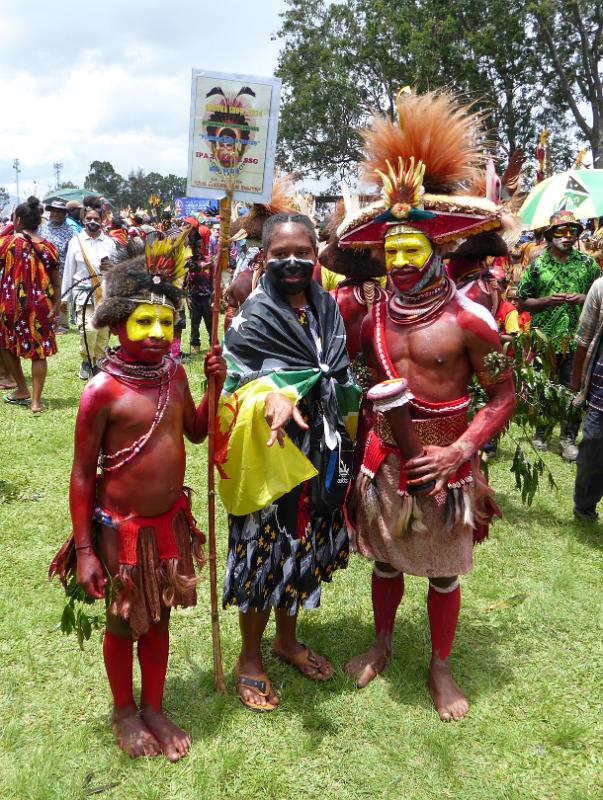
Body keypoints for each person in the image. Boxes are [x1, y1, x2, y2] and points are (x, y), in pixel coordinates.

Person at [337, 89, 516, 722]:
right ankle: (382, 643)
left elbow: (503, 393)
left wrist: (463, 449)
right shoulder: (368, 318)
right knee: (384, 559)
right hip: (386, 458)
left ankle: (440, 666)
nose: (403, 262)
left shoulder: (472, 321)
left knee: (443, 572)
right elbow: (357, 378)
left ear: (438, 252)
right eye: (392, 253)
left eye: (414, 251)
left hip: (450, 462)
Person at [50, 235, 226, 761]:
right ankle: (124, 712)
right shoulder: (101, 391)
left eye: (167, 323)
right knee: (124, 621)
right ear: (117, 324)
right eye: (143, 322)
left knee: (161, 616)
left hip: (167, 525)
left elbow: (196, 431)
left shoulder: (174, 373)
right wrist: (85, 550)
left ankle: (153, 705)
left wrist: (214, 387)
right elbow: (82, 475)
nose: (157, 333)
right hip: (119, 530)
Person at [217, 212, 360, 711]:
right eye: (281, 253)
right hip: (270, 453)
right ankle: (250, 657)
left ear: (317, 252)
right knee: (264, 550)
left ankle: (287, 640)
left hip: (318, 447)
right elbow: (232, 388)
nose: (293, 261)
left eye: (303, 250)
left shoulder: (326, 308)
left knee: (305, 546)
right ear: (264, 256)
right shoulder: (253, 317)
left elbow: (335, 372)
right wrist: (270, 398)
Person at [516, 211, 600, 461]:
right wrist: (545, 301)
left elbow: (600, 296)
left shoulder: (588, 265)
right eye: (561, 232)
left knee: (574, 389)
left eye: (572, 231)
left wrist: (583, 298)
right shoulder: (537, 264)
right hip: (544, 339)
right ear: (550, 235)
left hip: (579, 339)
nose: (567, 236)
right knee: (545, 387)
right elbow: (521, 302)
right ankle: (541, 432)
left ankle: (568, 438)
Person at [0, 196, 61, 412]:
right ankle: (36, 401)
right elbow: (56, 281)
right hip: (41, 305)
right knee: (39, 352)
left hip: (10, 305)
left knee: (6, 345)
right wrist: (57, 304)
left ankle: (22, 389)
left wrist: (9, 229)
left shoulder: (7, 244)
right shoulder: (49, 247)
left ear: (18, 220)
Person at [62, 206, 117, 379]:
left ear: (102, 221)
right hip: (83, 293)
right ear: (83, 220)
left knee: (102, 330)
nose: (93, 222)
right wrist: (65, 297)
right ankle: (86, 360)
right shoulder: (75, 242)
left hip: (105, 293)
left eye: (96, 219)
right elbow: (69, 270)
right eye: (89, 219)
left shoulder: (109, 242)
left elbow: (116, 269)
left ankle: (99, 361)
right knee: (88, 329)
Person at [571, 272, 603, 521]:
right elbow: (584, 338)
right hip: (600, 389)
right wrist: (576, 383)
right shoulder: (600, 287)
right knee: (592, 448)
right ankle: (584, 506)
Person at [39, 199, 75, 332]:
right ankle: (47, 323)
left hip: (62, 271)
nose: (55, 213)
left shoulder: (70, 231)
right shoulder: (42, 228)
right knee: (46, 297)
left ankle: (62, 324)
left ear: (64, 213)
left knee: (61, 297)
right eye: (53, 211)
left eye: (59, 211)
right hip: (44, 270)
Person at [185, 234, 213, 354]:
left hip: (207, 297)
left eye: (198, 247)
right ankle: (195, 345)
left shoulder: (208, 260)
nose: (196, 249)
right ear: (190, 247)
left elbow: (214, 279)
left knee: (210, 323)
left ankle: (213, 344)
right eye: (194, 247)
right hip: (194, 297)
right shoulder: (188, 263)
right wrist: (188, 298)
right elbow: (185, 283)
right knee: (194, 324)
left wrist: (214, 294)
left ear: (202, 247)